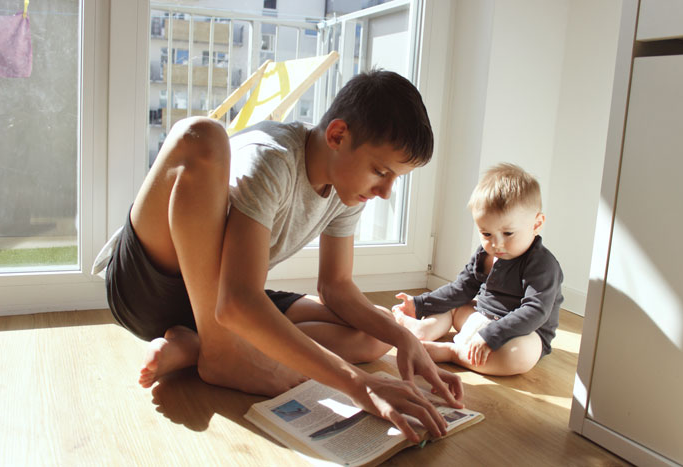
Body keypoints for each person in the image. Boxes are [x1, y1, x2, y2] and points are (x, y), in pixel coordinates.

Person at [98, 69, 463, 443]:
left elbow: (336, 287)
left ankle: (196, 346)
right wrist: (359, 385)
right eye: (380, 171)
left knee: (376, 331)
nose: (386, 191)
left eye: (394, 179)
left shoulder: (348, 187)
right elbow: (238, 303)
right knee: (202, 135)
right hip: (148, 286)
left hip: (216, 297)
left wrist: (406, 340)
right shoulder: (274, 159)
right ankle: (223, 351)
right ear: (338, 135)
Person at [392, 163, 563, 376]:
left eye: (508, 233)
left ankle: (452, 352)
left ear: (537, 224)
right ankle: (421, 330)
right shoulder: (485, 254)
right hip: (482, 316)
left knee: (519, 356)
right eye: (486, 234)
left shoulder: (543, 264)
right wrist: (420, 305)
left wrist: (491, 335)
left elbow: (535, 312)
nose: (497, 244)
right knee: (452, 305)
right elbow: (460, 289)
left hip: (521, 332)